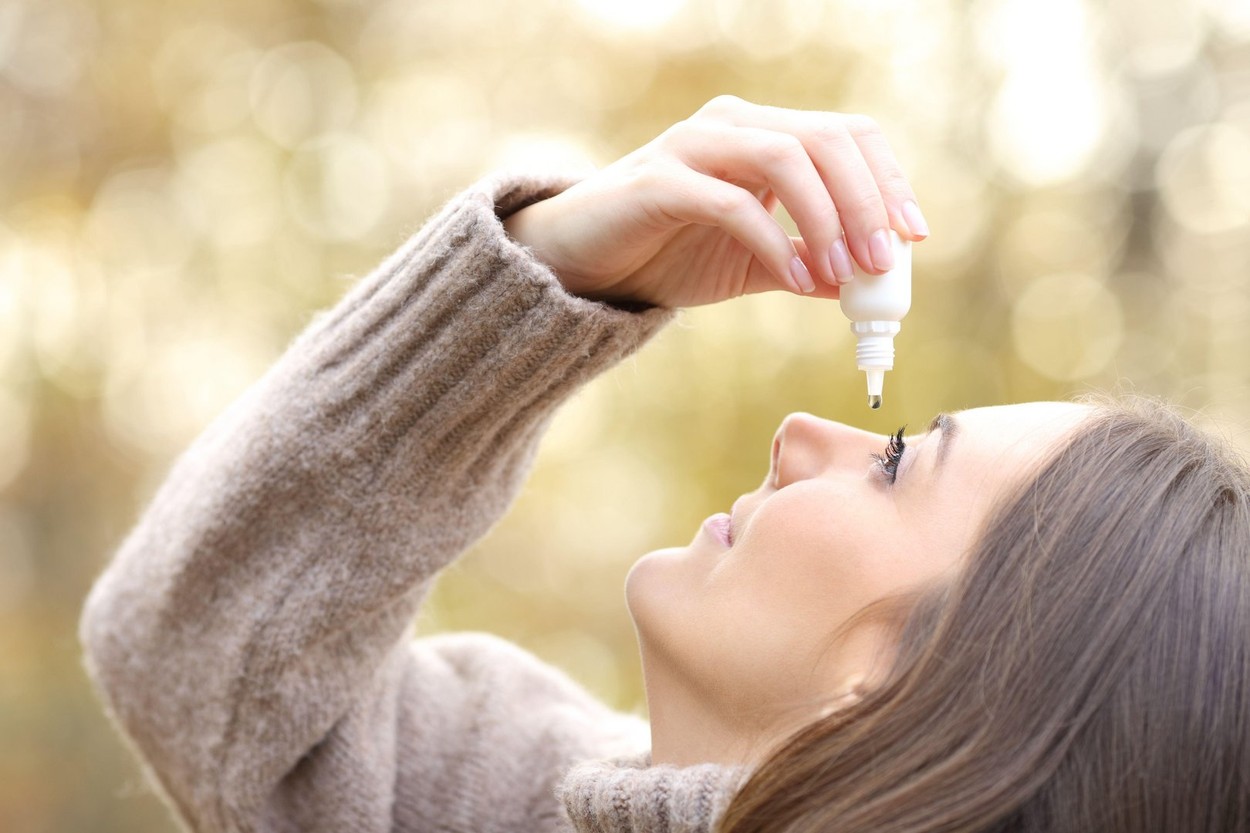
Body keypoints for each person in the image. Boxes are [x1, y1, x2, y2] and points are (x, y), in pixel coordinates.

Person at [79, 95, 1250, 833]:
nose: (799, 432)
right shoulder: (513, 797)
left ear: (933, 683)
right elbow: (199, 657)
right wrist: (543, 278)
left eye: (894, 463)